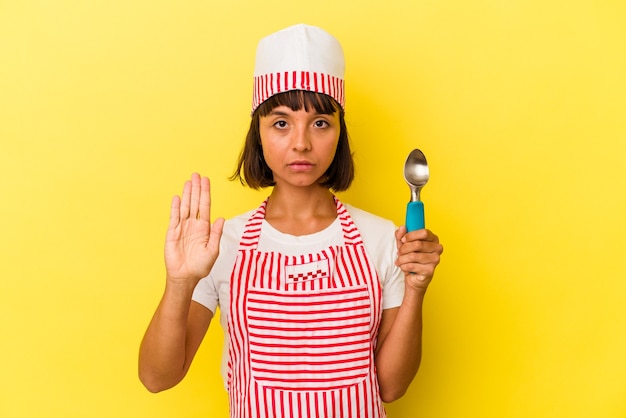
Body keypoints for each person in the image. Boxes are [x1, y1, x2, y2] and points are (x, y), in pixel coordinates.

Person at [139, 24, 443, 417]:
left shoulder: (384, 239)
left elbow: (391, 386)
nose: (301, 142)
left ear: (339, 134)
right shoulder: (221, 245)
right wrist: (180, 283)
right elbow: (156, 377)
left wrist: (416, 289)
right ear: (259, 135)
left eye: (320, 123)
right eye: (281, 123)